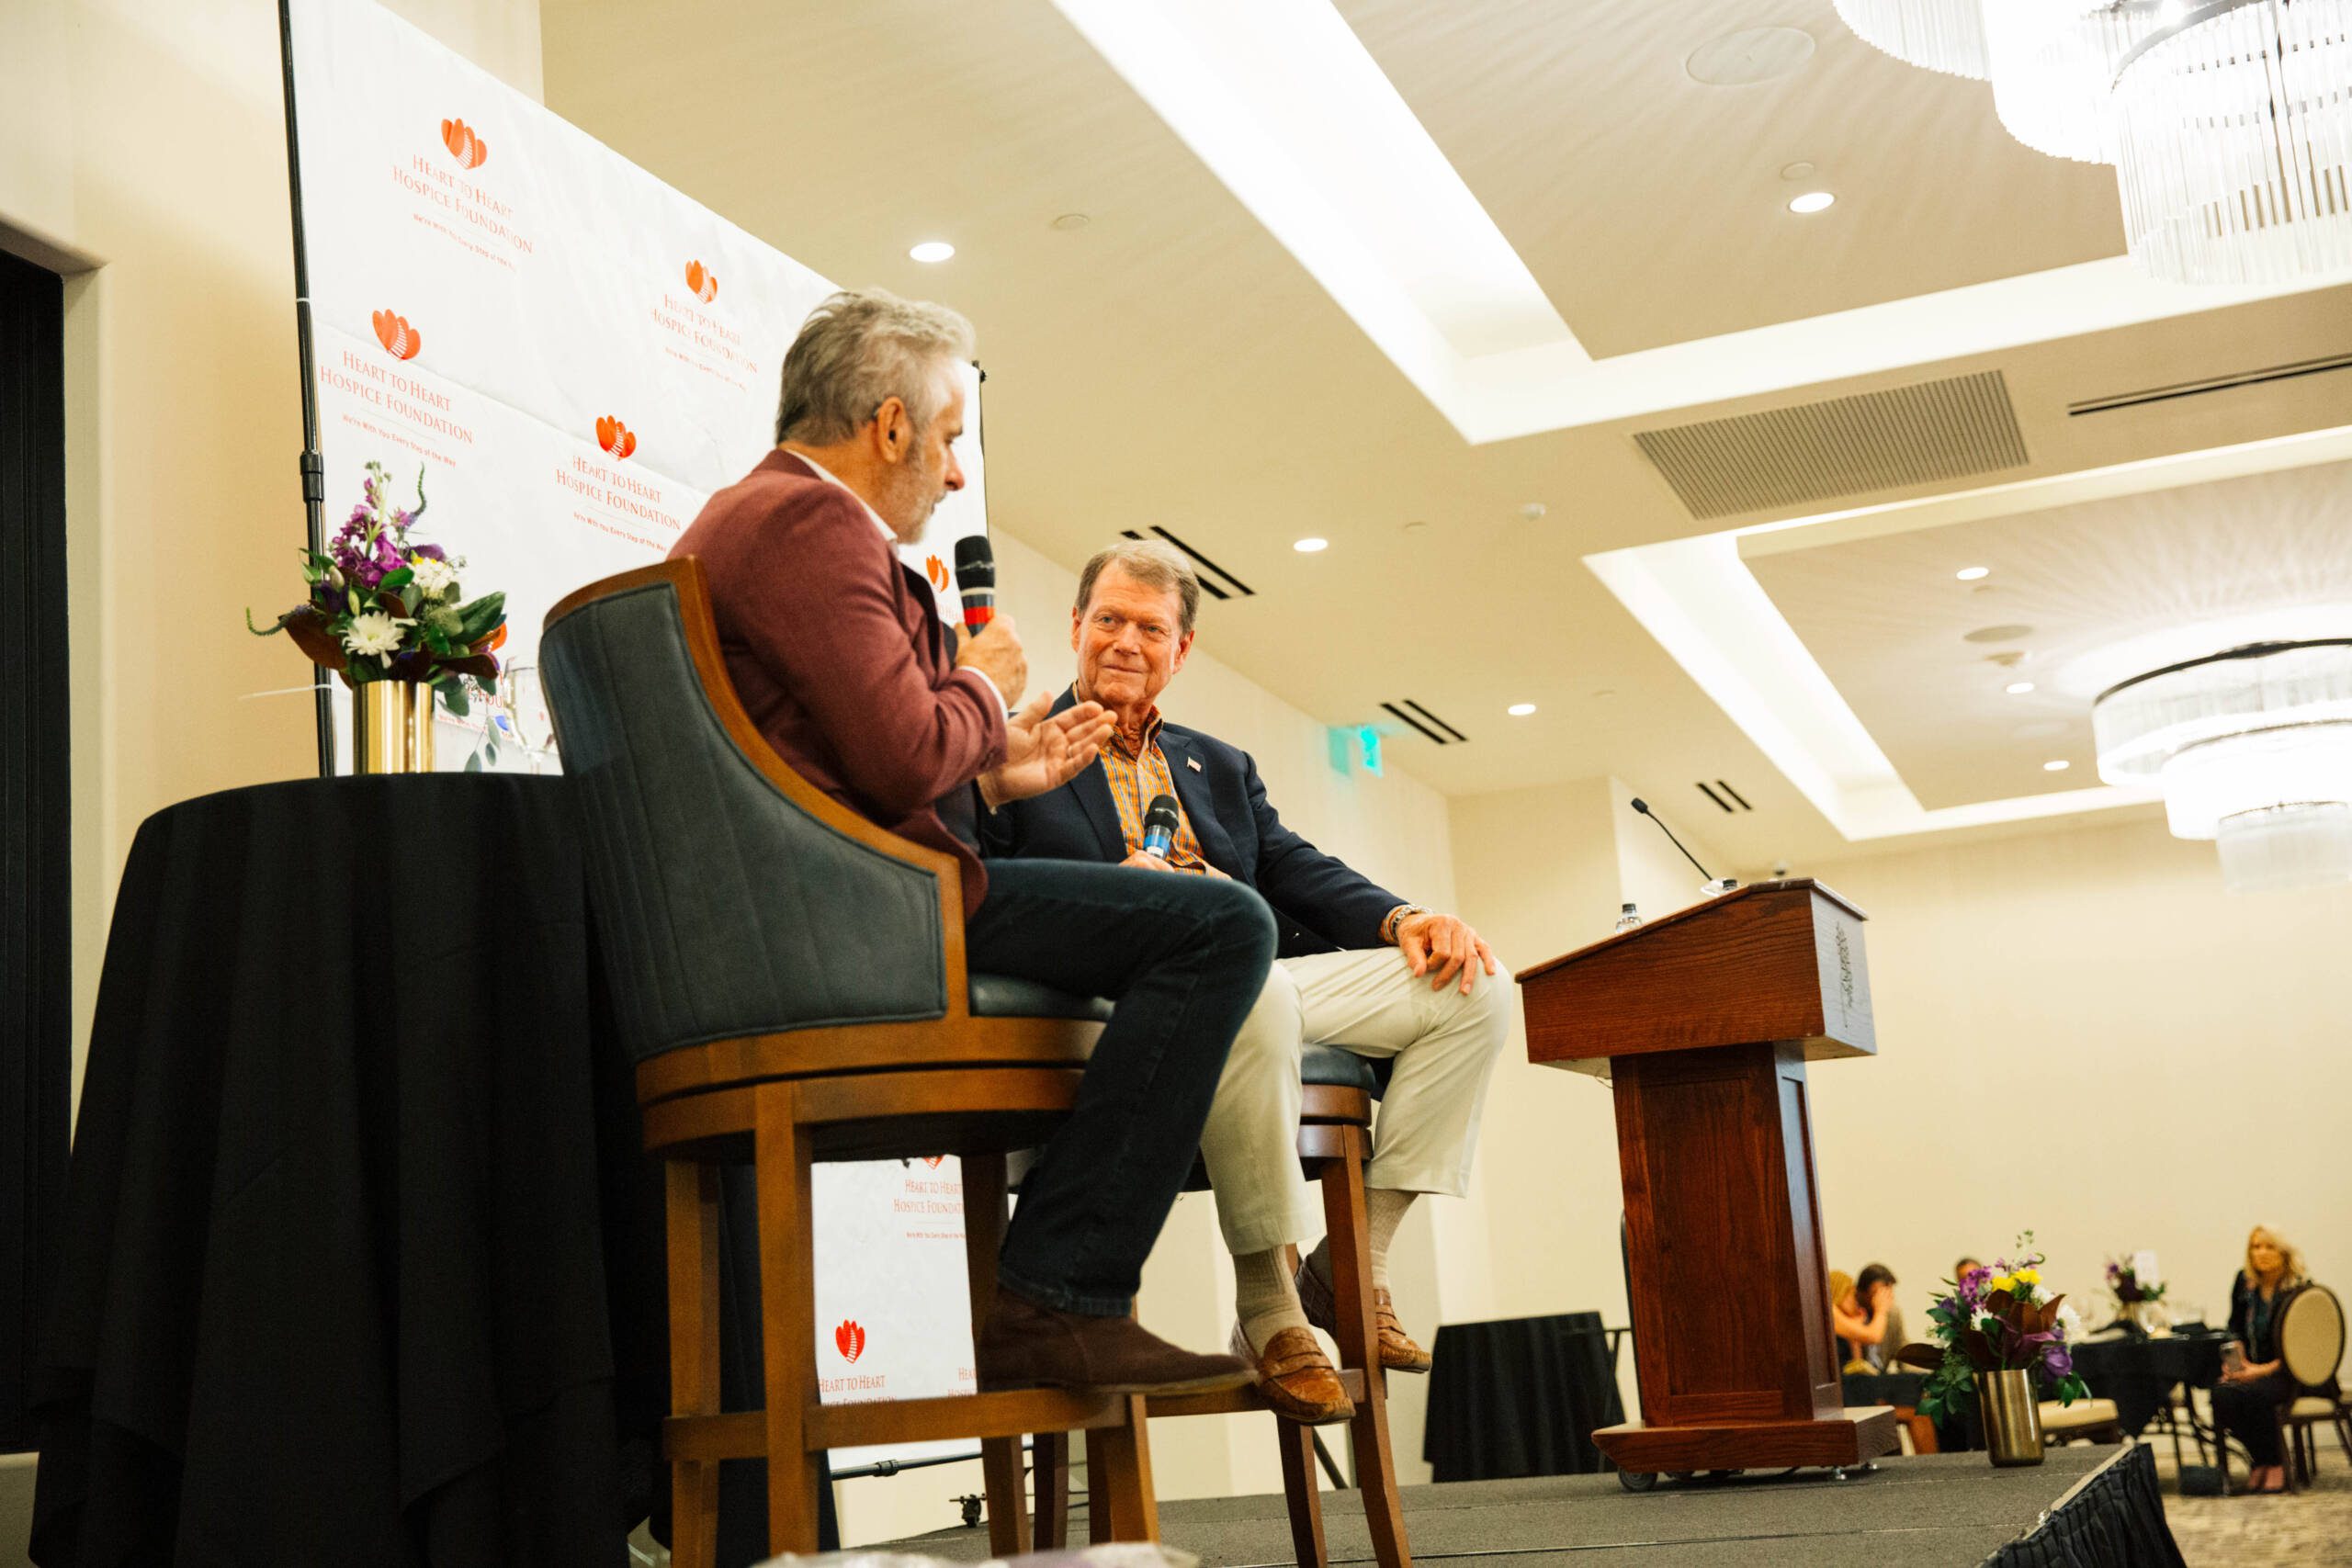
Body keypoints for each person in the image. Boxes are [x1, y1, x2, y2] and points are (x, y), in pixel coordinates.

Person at [671, 289, 1277, 1395]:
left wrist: (996, 769)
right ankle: (1057, 1296)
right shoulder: (808, 524)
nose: (956, 475)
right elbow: (905, 754)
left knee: (1202, 923)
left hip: (816, 908)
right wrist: (979, 693)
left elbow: (848, 756)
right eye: (950, 440)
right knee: (1223, 928)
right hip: (870, 920)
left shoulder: (745, 517)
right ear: (889, 426)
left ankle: (1057, 1289)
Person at [982, 539, 1512, 1422]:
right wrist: (1116, 892)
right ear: (1075, 627)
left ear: (1181, 648)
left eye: (1150, 628)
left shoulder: (1218, 764)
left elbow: (1295, 865)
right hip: (1128, 1002)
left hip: (1253, 971)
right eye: (1108, 619)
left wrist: (1402, 918)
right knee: (1246, 986)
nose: (1125, 641)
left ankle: (1351, 1266)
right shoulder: (1022, 742)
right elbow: (997, 890)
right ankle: (1271, 1305)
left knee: (1476, 988)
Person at [2211, 1225, 2312, 1495]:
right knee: (2222, 1395)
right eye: (2255, 1247)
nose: (2262, 1253)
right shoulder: (2244, 1283)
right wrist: (2236, 1356)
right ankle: (2260, 1459)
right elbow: (2234, 1326)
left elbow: (2304, 1349)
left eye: (2269, 1246)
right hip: (2253, 1369)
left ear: (2284, 1252)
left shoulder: (2299, 1288)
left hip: (2292, 1374)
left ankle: (2276, 1462)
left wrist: (2260, 1371)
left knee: (2255, 1395)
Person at [1832, 1264, 1898, 1373]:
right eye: (1852, 1294)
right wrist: (1881, 1310)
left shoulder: (1847, 1319)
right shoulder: (1831, 1312)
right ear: (1841, 1293)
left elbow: (1857, 1365)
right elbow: (1874, 1336)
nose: (1855, 1300)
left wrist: (1854, 1339)